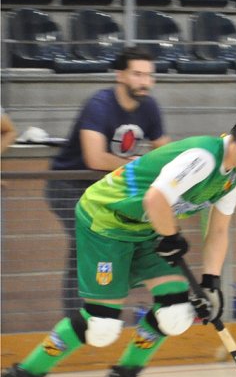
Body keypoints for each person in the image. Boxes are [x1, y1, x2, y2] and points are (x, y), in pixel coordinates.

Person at [1, 108, 236, 377]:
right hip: (106, 222)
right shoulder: (202, 158)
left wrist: (211, 283)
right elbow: (155, 199)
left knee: (175, 313)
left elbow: (218, 230)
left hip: (146, 228)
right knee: (100, 325)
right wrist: (171, 237)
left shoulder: (234, 177)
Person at [46, 47, 171, 313]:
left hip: (106, 187)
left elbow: (163, 152)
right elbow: (95, 159)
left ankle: (98, 312)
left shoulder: (149, 107)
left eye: (149, 75)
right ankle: (79, 318)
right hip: (68, 184)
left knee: (116, 242)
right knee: (87, 243)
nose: (145, 82)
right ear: (120, 75)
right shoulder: (99, 105)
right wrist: (138, 167)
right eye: (137, 74)